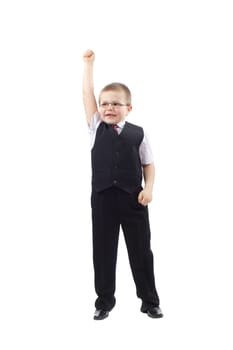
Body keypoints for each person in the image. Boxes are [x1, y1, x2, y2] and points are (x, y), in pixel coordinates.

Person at [82, 49, 163, 320]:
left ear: (129, 108)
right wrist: (89, 65)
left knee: (141, 250)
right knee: (103, 251)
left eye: (116, 104)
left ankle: (149, 300)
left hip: (133, 199)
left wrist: (148, 189)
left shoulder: (139, 134)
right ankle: (104, 300)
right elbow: (86, 94)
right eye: (104, 103)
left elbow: (148, 165)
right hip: (103, 200)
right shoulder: (95, 128)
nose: (108, 108)